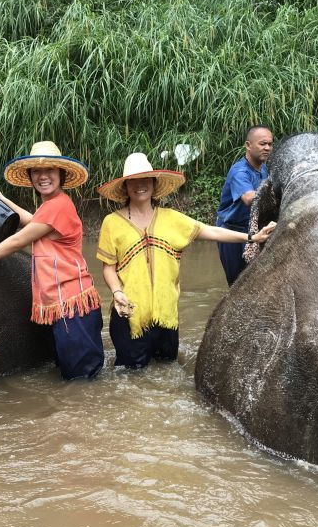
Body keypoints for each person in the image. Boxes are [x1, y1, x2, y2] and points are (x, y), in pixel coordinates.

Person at [96, 152, 275, 369]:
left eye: (145, 179)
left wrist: (252, 237)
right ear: (125, 187)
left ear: (154, 184)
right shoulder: (111, 223)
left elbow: (212, 231)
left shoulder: (172, 218)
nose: (140, 185)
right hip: (129, 313)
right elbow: (108, 268)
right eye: (133, 181)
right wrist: (117, 292)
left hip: (167, 314)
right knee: (130, 373)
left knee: (167, 370)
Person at [0, 141, 104, 380]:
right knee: (75, 376)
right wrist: (1, 198)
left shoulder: (59, 206)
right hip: (65, 306)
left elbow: (18, 240)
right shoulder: (52, 206)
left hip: (71, 307)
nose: (43, 176)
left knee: (81, 380)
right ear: (31, 176)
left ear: (61, 174)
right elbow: (31, 220)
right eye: (37, 171)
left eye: (50, 171)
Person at [215, 125, 274, 285]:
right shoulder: (240, 172)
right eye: (263, 144)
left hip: (252, 229)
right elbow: (248, 198)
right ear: (248, 145)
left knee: (257, 279)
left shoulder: (263, 169)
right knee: (236, 282)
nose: (267, 148)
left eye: (270, 144)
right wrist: (278, 189)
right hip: (231, 232)